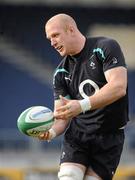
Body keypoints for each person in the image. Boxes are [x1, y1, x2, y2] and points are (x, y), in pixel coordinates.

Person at [39, 13, 129, 180]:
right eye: (49, 38)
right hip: (78, 136)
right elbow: (62, 116)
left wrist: (80, 105)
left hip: (109, 136)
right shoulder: (60, 73)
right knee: (69, 176)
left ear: (71, 30)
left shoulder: (105, 47)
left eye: (55, 35)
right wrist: (50, 132)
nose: (52, 42)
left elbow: (118, 87)